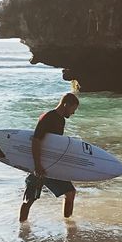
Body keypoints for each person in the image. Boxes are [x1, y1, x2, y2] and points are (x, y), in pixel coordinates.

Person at [19, 92, 79, 222]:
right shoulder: (47, 118)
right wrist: (37, 165)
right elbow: (36, 140)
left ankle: (68, 225)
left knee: (70, 193)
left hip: (51, 166)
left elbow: (54, 145)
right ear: (66, 104)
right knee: (30, 199)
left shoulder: (61, 120)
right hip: (39, 164)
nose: (73, 113)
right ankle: (22, 228)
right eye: (73, 109)